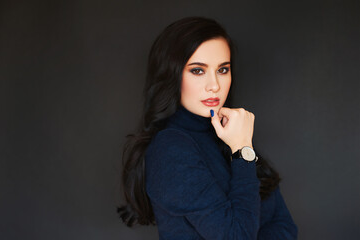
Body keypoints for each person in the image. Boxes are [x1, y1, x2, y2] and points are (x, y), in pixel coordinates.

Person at [118, 16, 298, 239]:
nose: (214, 85)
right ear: (171, 74)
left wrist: (240, 147)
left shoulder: (229, 133)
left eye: (223, 70)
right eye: (198, 70)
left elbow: (285, 226)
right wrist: (243, 151)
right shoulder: (170, 149)